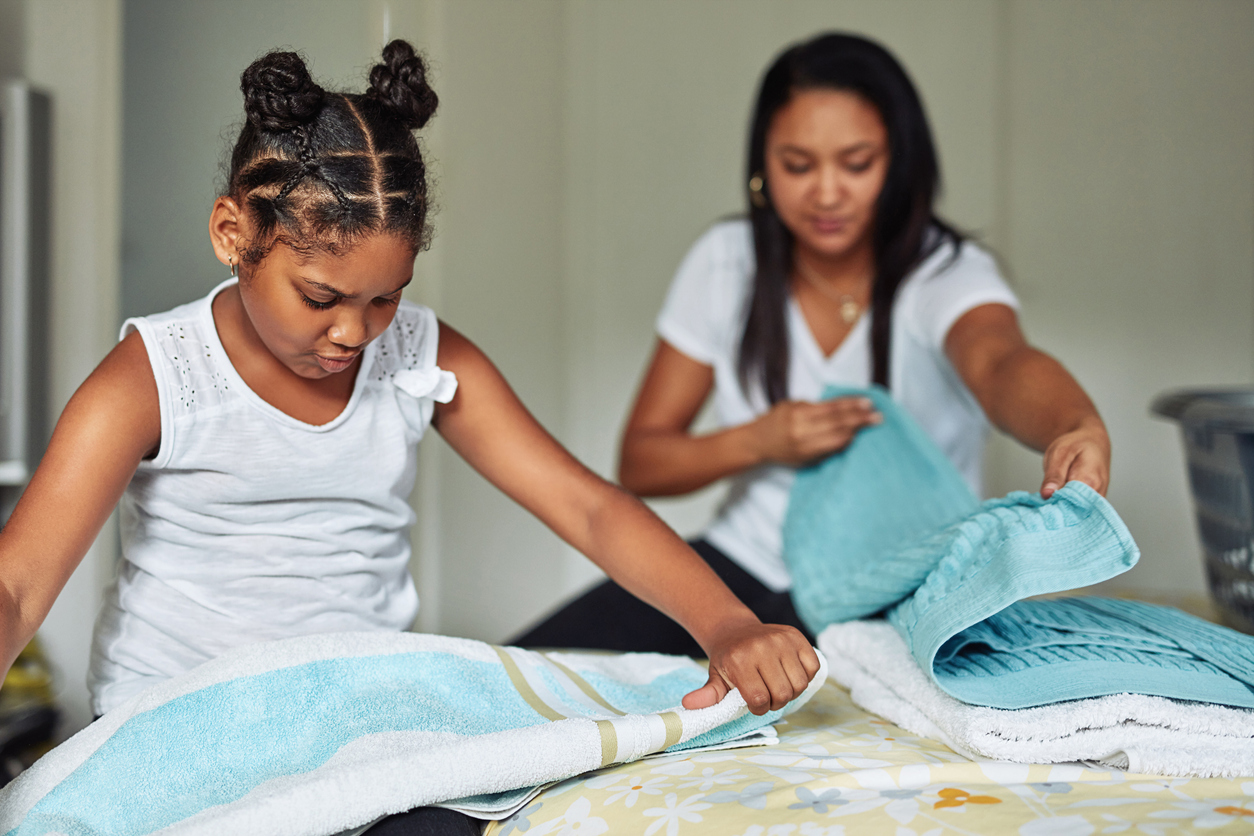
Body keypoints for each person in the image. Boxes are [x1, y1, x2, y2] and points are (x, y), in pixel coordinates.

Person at [0, 42, 819, 835]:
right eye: (320, 297)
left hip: (360, 715)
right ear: (232, 233)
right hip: (182, 719)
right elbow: (18, 589)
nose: (354, 333)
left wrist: (727, 625)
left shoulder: (421, 353)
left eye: (386, 298)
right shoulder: (154, 377)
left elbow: (590, 508)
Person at [513, 32, 1110, 653]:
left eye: (856, 163)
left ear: (900, 160)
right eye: (797, 165)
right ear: (761, 165)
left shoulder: (947, 272)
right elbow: (641, 462)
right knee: (532, 674)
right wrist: (762, 439)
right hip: (740, 572)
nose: (826, 193)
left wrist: (1075, 424)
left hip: (901, 590)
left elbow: (1000, 362)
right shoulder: (726, 262)